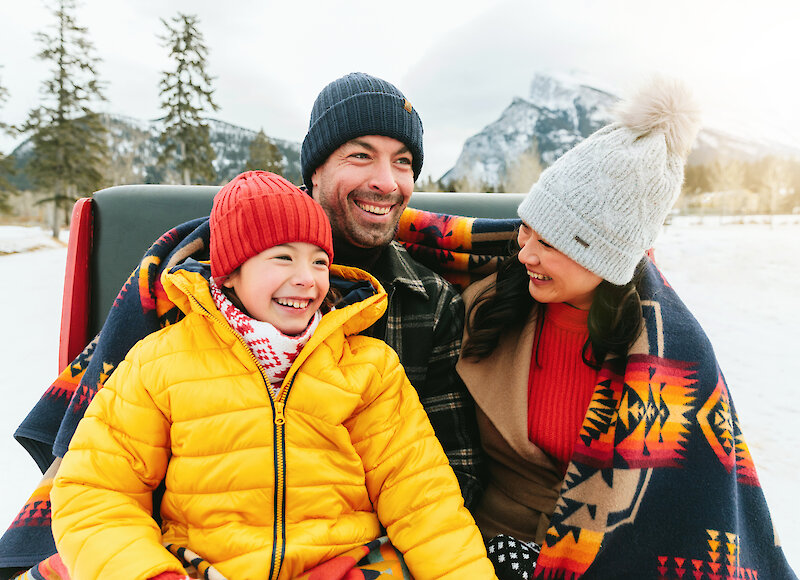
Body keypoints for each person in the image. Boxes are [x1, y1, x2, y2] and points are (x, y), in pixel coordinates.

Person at [49, 171, 497, 580]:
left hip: (344, 565)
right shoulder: (161, 363)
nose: (307, 279)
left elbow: (423, 501)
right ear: (229, 274)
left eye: (320, 261)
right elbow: (95, 491)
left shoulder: (366, 367)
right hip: (205, 565)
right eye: (283, 258)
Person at [456, 79, 798, 579]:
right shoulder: (487, 300)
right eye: (527, 227)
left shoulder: (673, 359)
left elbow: (703, 511)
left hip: (603, 560)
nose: (525, 253)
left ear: (607, 258)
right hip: (467, 542)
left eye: (551, 243)